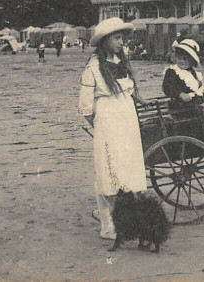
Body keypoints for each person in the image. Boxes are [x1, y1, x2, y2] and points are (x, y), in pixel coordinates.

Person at [78, 17, 147, 241]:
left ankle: (123, 217)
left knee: (127, 167)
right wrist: (100, 126)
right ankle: (108, 225)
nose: (121, 42)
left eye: (122, 38)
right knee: (108, 169)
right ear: (105, 40)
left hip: (127, 120)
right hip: (108, 121)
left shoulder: (122, 62)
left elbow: (130, 90)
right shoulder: (93, 68)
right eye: (117, 38)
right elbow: (85, 106)